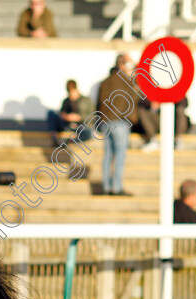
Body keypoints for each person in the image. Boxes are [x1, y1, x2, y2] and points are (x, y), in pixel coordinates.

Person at [97, 54, 138, 196]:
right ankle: (117, 187)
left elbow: (99, 102)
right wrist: (134, 63)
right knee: (120, 155)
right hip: (119, 121)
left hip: (105, 121)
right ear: (123, 65)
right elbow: (142, 75)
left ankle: (106, 187)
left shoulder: (105, 82)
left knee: (108, 155)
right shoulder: (125, 80)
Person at [47, 80, 92, 147]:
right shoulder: (66, 101)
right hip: (68, 125)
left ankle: (68, 141)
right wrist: (65, 116)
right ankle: (55, 137)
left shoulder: (86, 100)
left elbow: (92, 115)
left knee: (88, 134)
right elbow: (62, 112)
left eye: (72, 93)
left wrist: (79, 117)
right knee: (51, 113)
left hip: (81, 125)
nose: (71, 96)